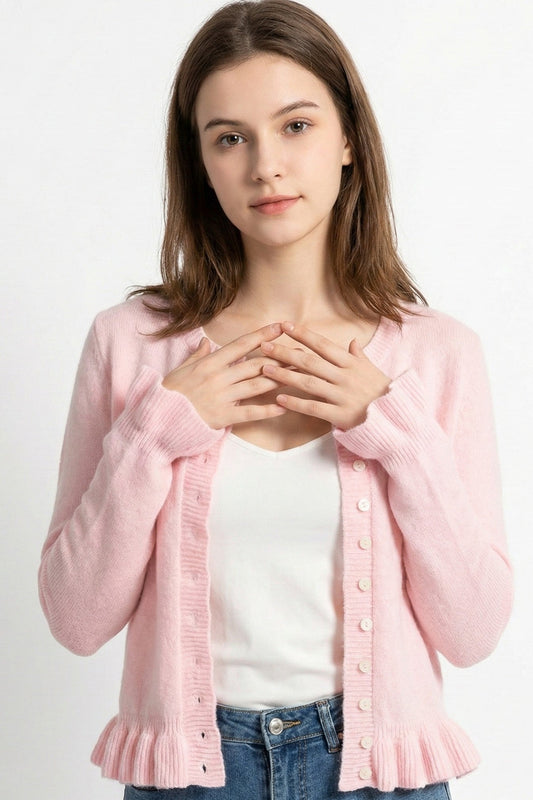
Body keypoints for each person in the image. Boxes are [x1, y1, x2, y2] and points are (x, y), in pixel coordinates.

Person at [38, 1, 513, 798]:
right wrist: (156, 431)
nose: (265, 165)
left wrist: (392, 432)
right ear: (200, 162)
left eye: (296, 126)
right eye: (230, 137)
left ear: (348, 138)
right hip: (190, 777)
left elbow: (472, 633)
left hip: (378, 775)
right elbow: (75, 620)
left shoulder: (436, 355)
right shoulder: (130, 345)